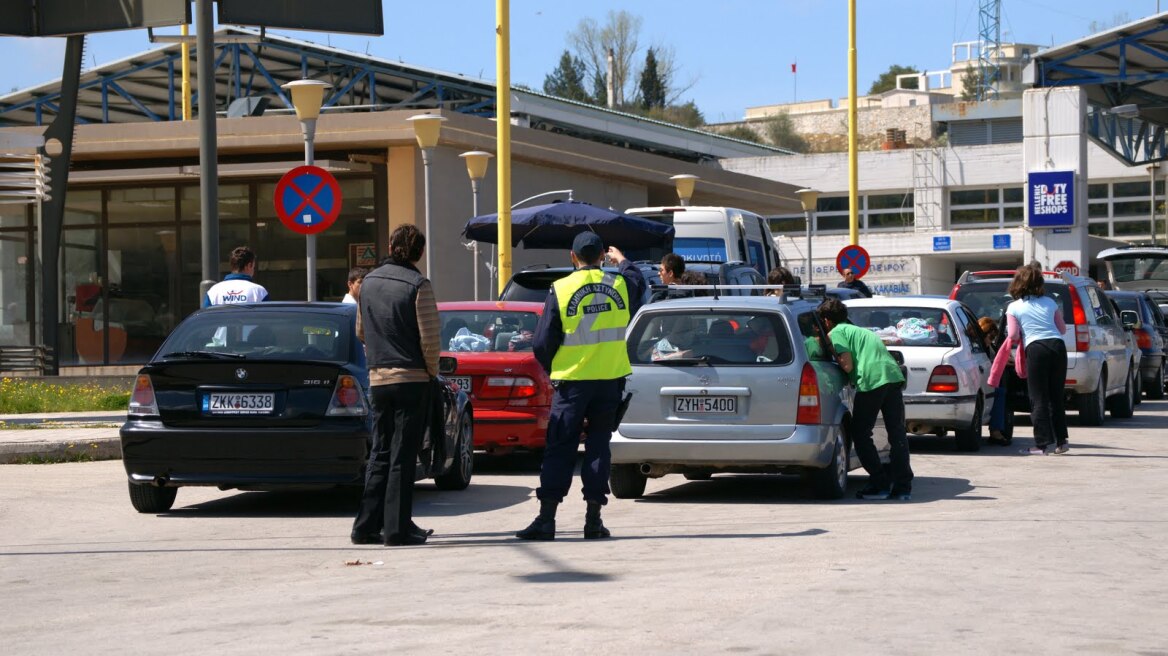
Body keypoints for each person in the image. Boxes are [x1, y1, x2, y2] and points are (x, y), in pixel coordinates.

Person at [516, 232, 647, 540]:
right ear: (602, 256)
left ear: (572, 257)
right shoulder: (619, 285)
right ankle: (593, 520)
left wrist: (554, 369)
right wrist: (623, 261)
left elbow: (541, 342)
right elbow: (638, 282)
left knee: (560, 448)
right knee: (599, 448)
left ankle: (546, 519)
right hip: (609, 382)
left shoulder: (562, 288)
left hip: (572, 383)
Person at [351, 225, 441, 546]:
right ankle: (397, 529)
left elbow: (361, 331)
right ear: (418, 253)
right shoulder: (418, 284)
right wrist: (431, 373)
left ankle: (365, 526)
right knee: (403, 455)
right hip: (412, 379)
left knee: (380, 451)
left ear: (390, 244)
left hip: (378, 380)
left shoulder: (369, 283)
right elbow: (430, 340)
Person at [817, 297, 913, 500]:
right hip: (893, 377)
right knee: (896, 434)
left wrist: (832, 353)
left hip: (871, 381)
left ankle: (879, 484)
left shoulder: (836, 333)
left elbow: (848, 366)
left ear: (826, 321)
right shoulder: (862, 331)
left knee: (860, 434)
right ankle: (903, 486)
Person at [988, 266, 1069, 456]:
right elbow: (1062, 329)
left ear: (1017, 283)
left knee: (1038, 397)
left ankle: (1042, 445)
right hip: (1058, 347)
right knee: (1056, 396)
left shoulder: (1014, 307)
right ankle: (1061, 441)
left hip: (1037, 349)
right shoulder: (1050, 302)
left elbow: (1014, 334)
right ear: (1039, 283)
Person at [978, 316, 1010, 445]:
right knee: (999, 392)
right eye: (990, 337)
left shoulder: (986, 345)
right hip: (980, 380)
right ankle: (996, 432)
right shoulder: (979, 346)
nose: (991, 341)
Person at [203, 246, 268, 306]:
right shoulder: (259, 292)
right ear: (249, 265)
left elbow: (205, 317)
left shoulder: (214, 291)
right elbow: (266, 317)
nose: (254, 270)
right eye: (254, 267)